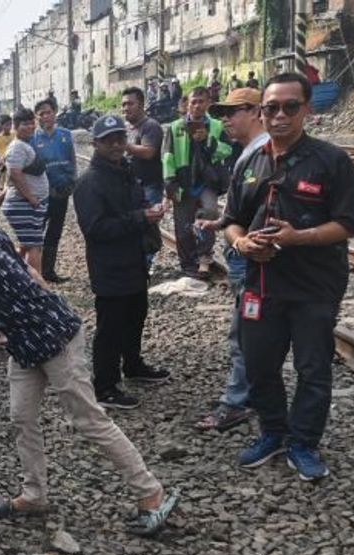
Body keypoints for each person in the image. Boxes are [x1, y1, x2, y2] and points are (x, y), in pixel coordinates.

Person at [0, 189, 180, 535]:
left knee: (88, 420)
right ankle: (34, 495)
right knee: (21, 418)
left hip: (57, 340)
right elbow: (23, 264)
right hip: (25, 346)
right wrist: (42, 293)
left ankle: (151, 493)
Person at [219, 72, 354, 480]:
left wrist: (298, 238)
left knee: (312, 369)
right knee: (260, 365)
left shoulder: (330, 161)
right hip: (261, 285)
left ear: (307, 110)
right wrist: (242, 243)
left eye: (290, 107)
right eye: (272, 107)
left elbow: (349, 223)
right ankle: (273, 432)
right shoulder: (251, 162)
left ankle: (303, 443)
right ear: (261, 113)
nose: (280, 115)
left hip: (314, 287)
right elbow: (232, 221)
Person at [74, 115, 171, 411]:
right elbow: (95, 229)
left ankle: (133, 364)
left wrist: (148, 210)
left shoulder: (124, 171)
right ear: (96, 144)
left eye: (120, 138)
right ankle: (104, 385)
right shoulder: (90, 182)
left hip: (133, 259)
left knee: (136, 314)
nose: (117, 145)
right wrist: (140, 218)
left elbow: (134, 205)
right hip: (109, 266)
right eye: (109, 140)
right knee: (111, 326)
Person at [193, 87, 268, 432]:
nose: (226, 119)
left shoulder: (266, 153)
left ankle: (239, 401)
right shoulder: (248, 153)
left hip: (250, 259)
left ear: (255, 112)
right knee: (247, 330)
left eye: (233, 111)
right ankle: (246, 394)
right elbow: (244, 207)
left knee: (244, 332)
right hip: (241, 251)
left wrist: (237, 235)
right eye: (222, 112)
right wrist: (220, 223)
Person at [162, 86, 232, 278]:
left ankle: (204, 259)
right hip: (182, 182)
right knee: (183, 225)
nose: (197, 106)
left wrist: (209, 140)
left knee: (209, 214)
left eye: (202, 102)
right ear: (187, 104)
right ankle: (187, 264)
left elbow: (227, 150)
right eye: (193, 102)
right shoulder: (176, 127)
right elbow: (167, 156)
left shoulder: (216, 126)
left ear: (208, 103)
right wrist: (169, 183)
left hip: (207, 182)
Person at [31, 98, 77, 283]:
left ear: (55, 112)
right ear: (37, 117)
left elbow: (72, 159)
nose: (46, 116)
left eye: (48, 112)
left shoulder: (65, 134)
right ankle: (34, 271)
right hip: (42, 194)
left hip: (62, 191)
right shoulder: (33, 138)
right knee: (37, 231)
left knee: (55, 231)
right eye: (41, 113)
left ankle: (49, 271)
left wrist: (73, 181)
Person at [2, 108, 50, 274]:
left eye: (31, 123)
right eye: (25, 124)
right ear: (15, 126)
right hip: (24, 204)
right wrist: (31, 198)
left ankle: (11, 272)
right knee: (34, 246)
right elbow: (14, 174)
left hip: (28, 204)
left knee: (26, 244)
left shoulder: (23, 145)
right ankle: (36, 286)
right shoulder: (17, 147)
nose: (30, 127)